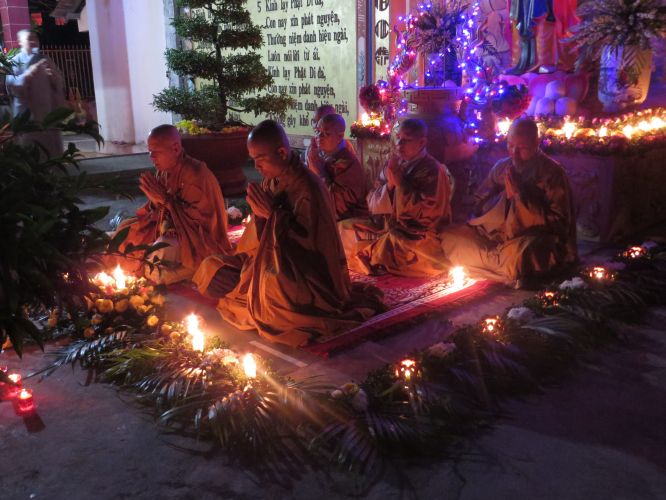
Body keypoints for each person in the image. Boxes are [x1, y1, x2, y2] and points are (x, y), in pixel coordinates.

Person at [193, 120, 382, 347]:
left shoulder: (308, 188)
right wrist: (262, 217)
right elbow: (258, 242)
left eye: (260, 159)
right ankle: (251, 290)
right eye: (253, 159)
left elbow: (311, 250)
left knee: (271, 306)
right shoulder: (271, 181)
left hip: (305, 275)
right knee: (211, 268)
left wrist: (272, 215)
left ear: (282, 153)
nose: (256, 166)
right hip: (267, 260)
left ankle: (254, 293)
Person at [440, 117, 577, 287]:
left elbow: (560, 223)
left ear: (537, 143)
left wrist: (520, 197)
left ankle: (496, 267)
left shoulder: (552, 173)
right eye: (510, 146)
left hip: (526, 238)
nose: (514, 153)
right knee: (449, 236)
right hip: (495, 235)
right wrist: (497, 202)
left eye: (522, 148)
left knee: (522, 255)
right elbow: (478, 202)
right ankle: (505, 270)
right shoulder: (501, 167)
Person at [115, 124, 232, 284]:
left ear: (176, 149)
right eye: (150, 151)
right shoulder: (163, 171)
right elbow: (157, 211)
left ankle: (158, 267)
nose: (152, 157)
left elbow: (203, 225)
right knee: (125, 230)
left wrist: (166, 200)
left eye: (156, 152)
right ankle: (150, 267)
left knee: (163, 248)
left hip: (196, 241)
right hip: (168, 230)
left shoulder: (196, 175)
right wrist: (155, 203)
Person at [339, 118, 454, 278]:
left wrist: (400, 185)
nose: (399, 144)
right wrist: (389, 187)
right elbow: (371, 200)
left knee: (392, 246)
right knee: (343, 228)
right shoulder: (393, 164)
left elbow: (428, 214)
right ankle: (372, 255)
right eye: (398, 138)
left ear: (422, 143)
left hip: (417, 237)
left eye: (406, 140)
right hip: (386, 226)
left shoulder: (433, 170)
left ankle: (374, 258)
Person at [5, 29, 64, 157]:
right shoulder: (15, 61)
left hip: (47, 109)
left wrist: (53, 76)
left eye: (35, 38)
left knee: (49, 142)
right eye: (29, 39)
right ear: (20, 42)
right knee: (29, 143)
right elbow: (11, 84)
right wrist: (29, 73)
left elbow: (59, 82)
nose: (33, 41)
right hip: (27, 111)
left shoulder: (45, 59)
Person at [306, 113, 368, 220]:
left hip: (345, 221)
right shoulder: (318, 155)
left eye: (326, 133)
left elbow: (336, 206)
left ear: (339, 136)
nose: (319, 137)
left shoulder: (348, 163)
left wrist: (318, 171)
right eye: (318, 132)